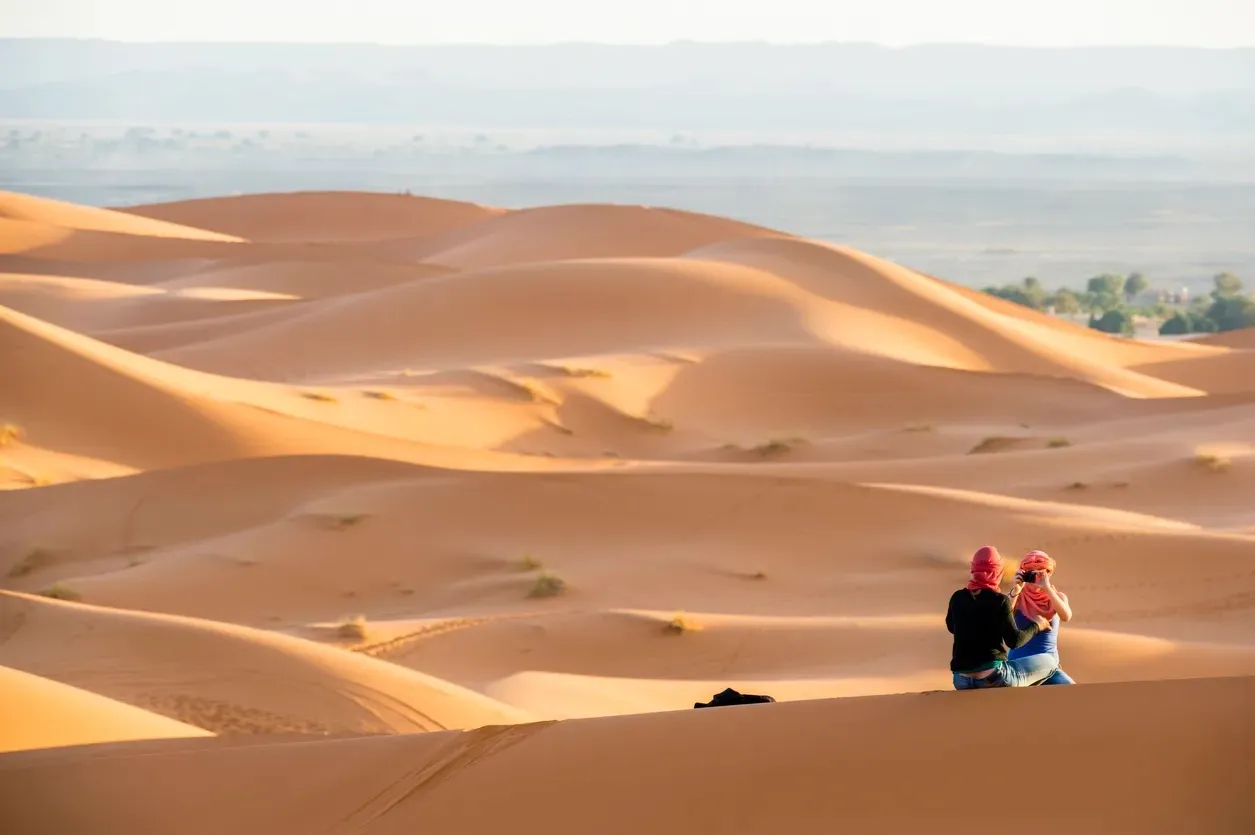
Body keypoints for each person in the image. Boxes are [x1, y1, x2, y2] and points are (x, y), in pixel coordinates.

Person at [945, 545, 1059, 690]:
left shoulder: (958, 597)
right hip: (994, 678)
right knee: (1049, 661)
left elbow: (951, 627)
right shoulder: (999, 600)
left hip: (961, 680)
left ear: (973, 569)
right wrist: (1037, 625)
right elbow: (1014, 641)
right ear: (998, 572)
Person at [1007, 550, 1075, 685]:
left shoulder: (1057, 597)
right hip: (1019, 668)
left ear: (1048, 573)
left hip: (1049, 667)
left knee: (1071, 689)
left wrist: (1047, 588)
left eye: (1040, 573)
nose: (1035, 578)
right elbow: (1001, 616)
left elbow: (1066, 616)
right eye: (1030, 573)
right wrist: (1015, 590)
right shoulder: (1017, 598)